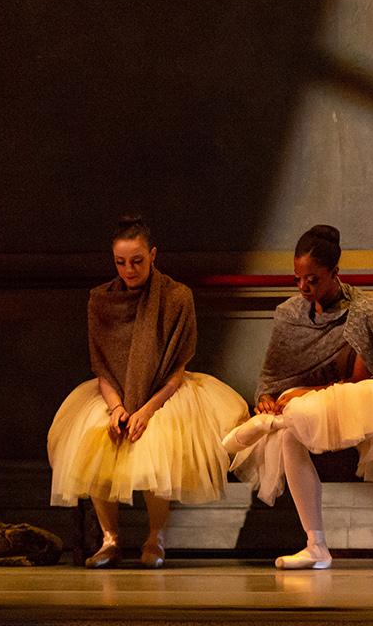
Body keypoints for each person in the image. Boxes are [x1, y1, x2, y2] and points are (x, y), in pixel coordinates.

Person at [47, 216, 248, 568]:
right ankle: (110, 539)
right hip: (114, 392)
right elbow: (101, 367)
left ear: (153, 255)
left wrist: (148, 409)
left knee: (157, 441)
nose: (129, 269)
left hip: (165, 392)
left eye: (137, 260)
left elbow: (177, 368)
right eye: (121, 262)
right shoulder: (100, 300)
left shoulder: (176, 297)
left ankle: (156, 536)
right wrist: (116, 408)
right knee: (95, 440)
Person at [220, 225, 373, 569]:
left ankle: (271, 422)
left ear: (335, 274)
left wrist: (297, 393)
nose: (303, 287)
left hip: (358, 412)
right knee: (289, 432)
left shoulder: (365, 312)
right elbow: (272, 376)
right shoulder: (290, 314)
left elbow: (360, 382)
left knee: (295, 414)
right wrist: (266, 396)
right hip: (303, 414)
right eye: (298, 279)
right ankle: (316, 546)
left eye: (313, 280)